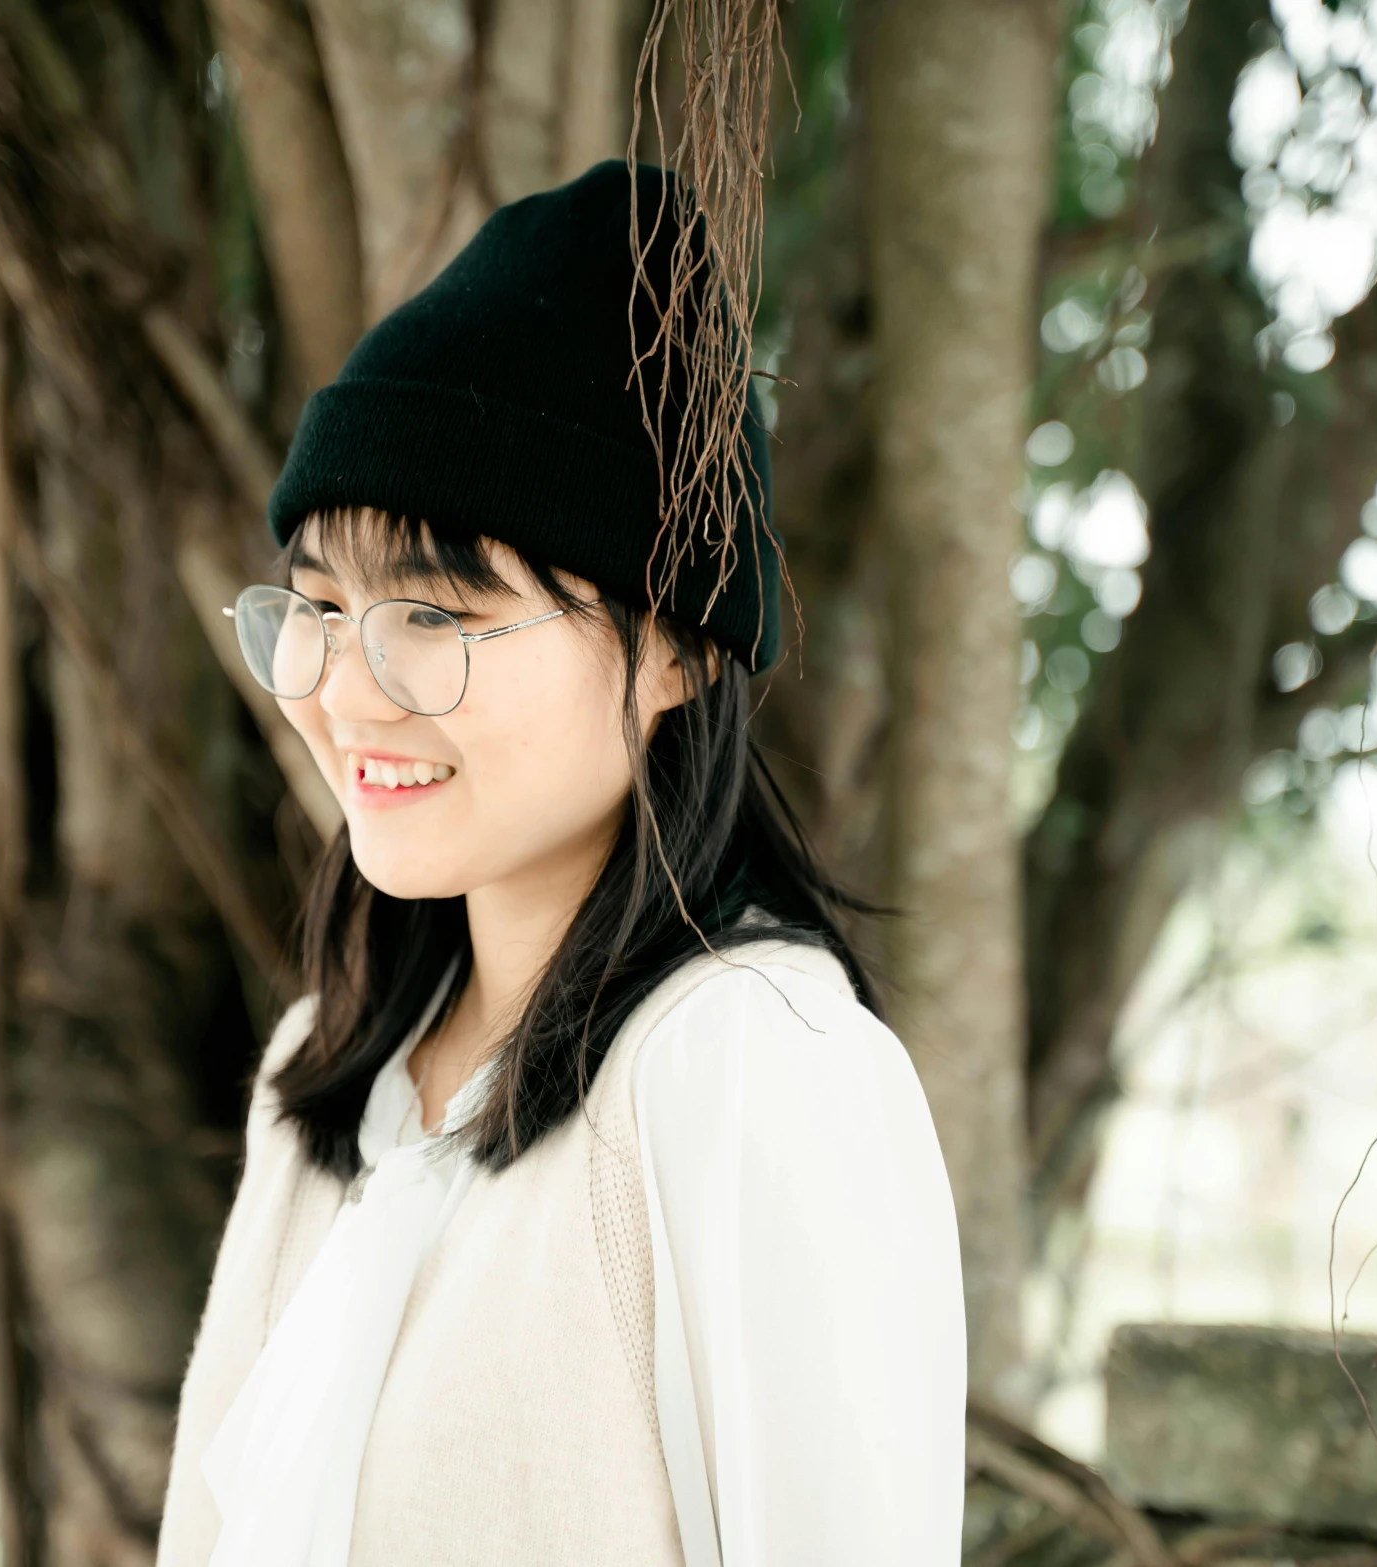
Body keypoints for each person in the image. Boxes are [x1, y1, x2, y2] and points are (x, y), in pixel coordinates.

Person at [155, 159, 964, 1567]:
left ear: (671, 647)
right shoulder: (328, 1069)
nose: (346, 693)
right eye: (322, 607)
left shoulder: (749, 1068)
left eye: (434, 616)